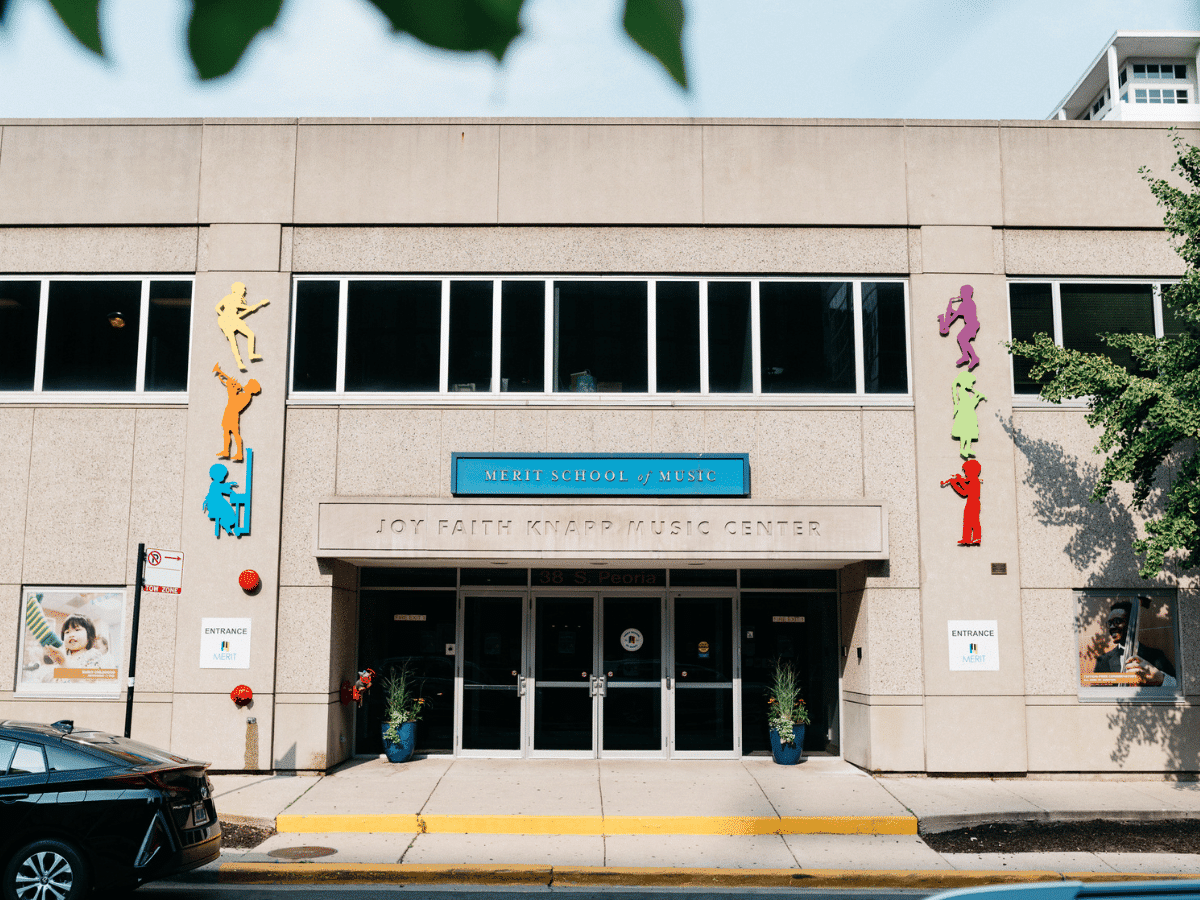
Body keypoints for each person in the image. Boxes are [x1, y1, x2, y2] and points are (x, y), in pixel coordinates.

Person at [1093, 600, 1177, 688]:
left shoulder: (1156, 656)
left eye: (1117, 621)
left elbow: (1179, 687)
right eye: (1110, 623)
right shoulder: (1103, 661)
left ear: (1131, 624)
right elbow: (1096, 693)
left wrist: (1160, 678)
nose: (1112, 627)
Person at [215, 282, 269, 371]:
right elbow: (219, 307)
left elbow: (237, 313)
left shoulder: (238, 298)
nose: (245, 291)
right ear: (237, 289)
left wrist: (252, 308)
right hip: (226, 321)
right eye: (243, 289)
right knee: (233, 342)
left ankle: (251, 354)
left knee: (250, 335)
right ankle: (239, 363)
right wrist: (224, 316)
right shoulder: (232, 297)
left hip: (234, 319)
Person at [950, 370, 987, 459]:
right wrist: (978, 398)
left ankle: (968, 448)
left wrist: (977, 397)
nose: (972, 386)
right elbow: (970, 405)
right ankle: (963, 449)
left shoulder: (964, 392)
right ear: (965, 382)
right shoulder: (962, 392)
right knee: (965, 432)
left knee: (969, 432)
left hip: (969, 415)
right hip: (965, 415)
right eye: (971, 383)